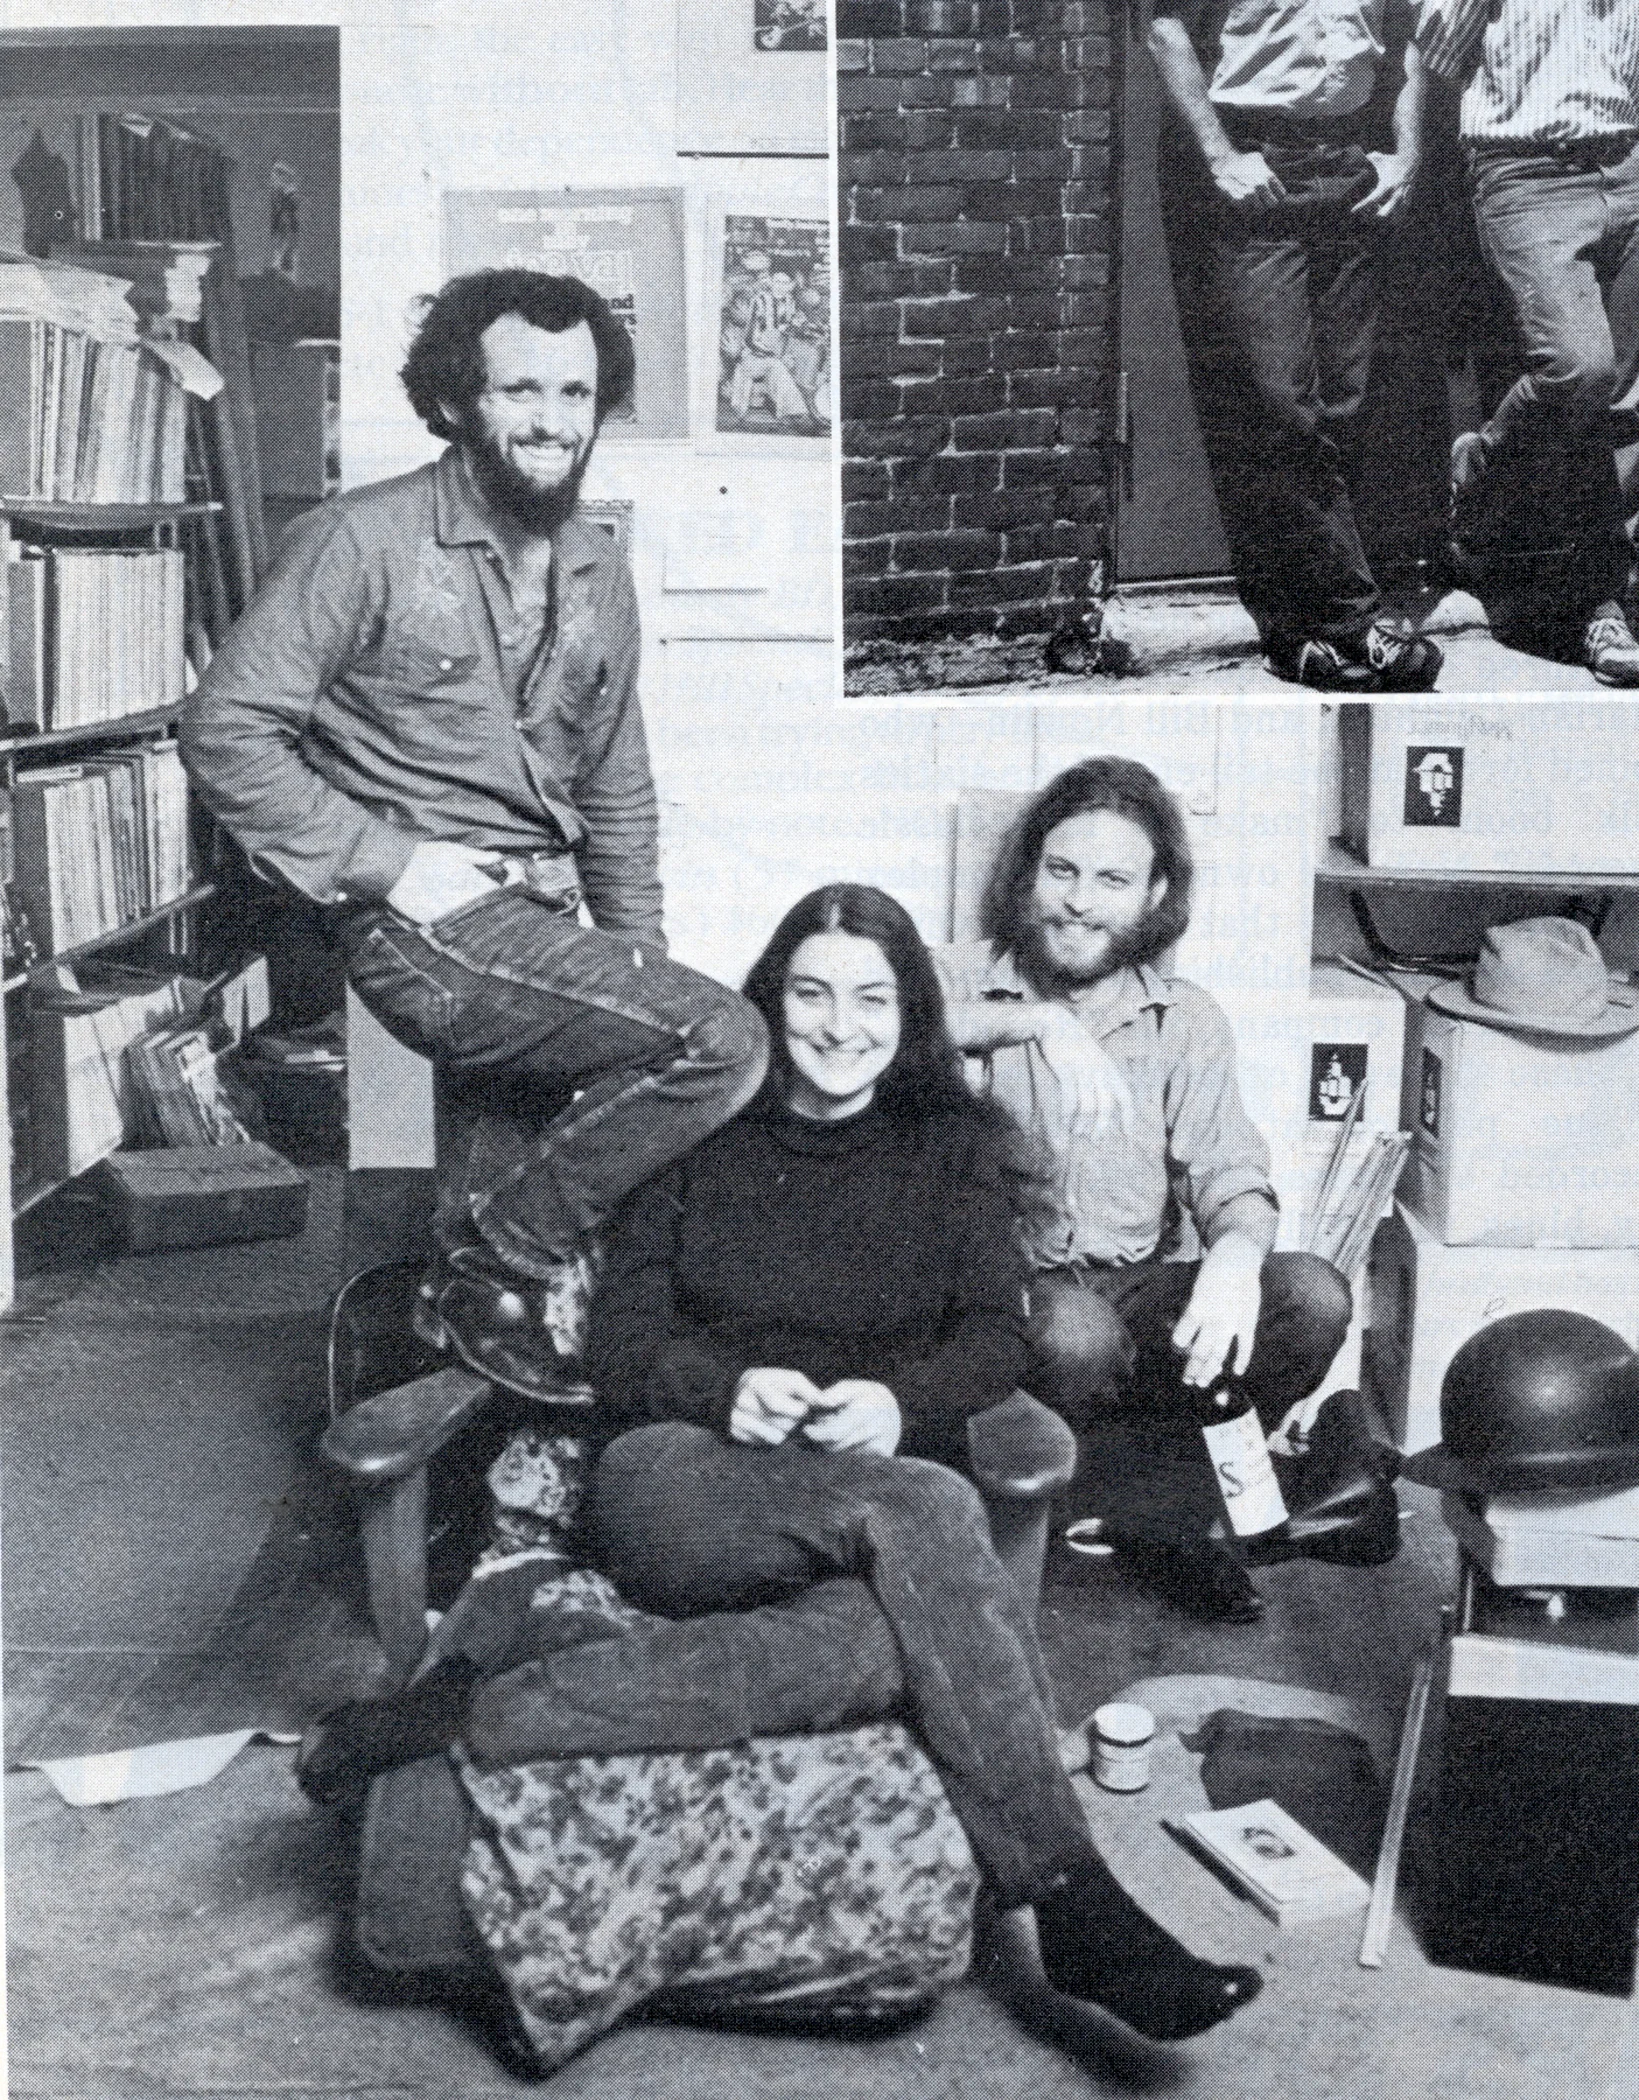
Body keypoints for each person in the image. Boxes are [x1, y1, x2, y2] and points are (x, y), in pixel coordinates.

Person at [299, 883, 1263, 2047]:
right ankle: (1074, 1901)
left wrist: (895, 1401)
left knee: (896, 1641)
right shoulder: (697, 1133)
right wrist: (726, 1391)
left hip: (857, 1515)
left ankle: (476, 1710)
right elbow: (619, 1346)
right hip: (681, 1482)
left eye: (871, 999)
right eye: (811, 994)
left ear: (911, 1016)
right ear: (771, 1002)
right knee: (928, 1505)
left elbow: (997, 1340)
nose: (840, 1026)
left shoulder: (953, 1149)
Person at [181, 271, 767, 1398]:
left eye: (575, 393)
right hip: (424, 925)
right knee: (724, 1042)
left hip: (542, 922)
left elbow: (615, 784)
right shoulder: (359, 540)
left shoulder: (596, 565)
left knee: (506, 1216)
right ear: (455, 401)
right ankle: (480, 1271)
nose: (554, 420)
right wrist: (392, 864)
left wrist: (629, 961)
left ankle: (437, 1356)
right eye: (521, 390)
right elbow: (224, 729)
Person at [934, 759, 1352, 1617]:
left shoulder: (1184, 1018)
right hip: (1006, 1296)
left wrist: (1233, 1261)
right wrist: (1035, 1023)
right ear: (1028, 874)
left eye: (1111, 880)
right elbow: (880, 1027)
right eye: (1061, 871)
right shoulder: (955, 978)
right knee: (1074, 1333)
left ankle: (1165, 1512)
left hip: (1136, 1286)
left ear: (1154, 894)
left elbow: (1230, 1173)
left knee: (1312, 1296)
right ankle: (1072, 1518)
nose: (1079, 902)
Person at [1149, 0, 1444, 690]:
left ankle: (1295, 631)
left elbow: (1408, 42)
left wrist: (1407, 153)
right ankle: (1351, 619)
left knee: (1345, 403)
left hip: (1349, 164)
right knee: (1280, 405)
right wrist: (1219, 154)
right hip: (1257, 163)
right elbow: (1165, 30)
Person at [1422, 0, 1639, 684]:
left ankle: (1603, 598)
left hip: (1627, 164)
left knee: (1617, 391)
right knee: (1578, 371)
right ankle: (1486, 478)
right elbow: (1435, 52)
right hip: (1525, 171)